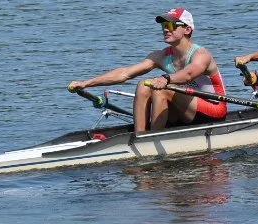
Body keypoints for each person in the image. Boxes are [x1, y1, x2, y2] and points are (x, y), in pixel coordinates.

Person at [68, 8, 229, 132]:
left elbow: (188, 74)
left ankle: (152, 140)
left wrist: (166, 79)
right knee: (143, 85)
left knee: (162, 89)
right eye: (164, 25)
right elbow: (125, 73)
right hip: (185, 110)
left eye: (172, 25)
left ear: (187, 30)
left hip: (213, 108)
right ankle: (141, 136)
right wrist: (87, 83)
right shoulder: (160, 56)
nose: (166, 29)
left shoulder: (202, 54)